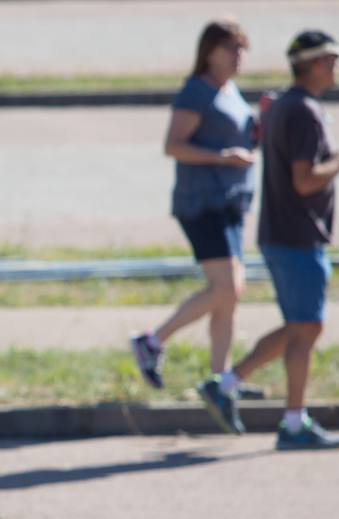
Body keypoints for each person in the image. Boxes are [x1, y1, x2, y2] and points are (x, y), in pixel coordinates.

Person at [196, 29, 339, 449]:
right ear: (313, 64)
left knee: (303, 327)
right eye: (332, 59)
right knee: (305, 327)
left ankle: (261, 401)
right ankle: (279, 414)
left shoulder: (288, 106)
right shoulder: (303, 111)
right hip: (297, 236)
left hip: (286, 234)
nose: (337, 67)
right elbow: (305, 180)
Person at [130, 19, 263, 400]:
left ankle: (221, 380)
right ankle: (152, 341)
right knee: (227, 287)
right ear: (210, 52)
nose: (238, 57)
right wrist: (223, 157)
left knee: (230, 294)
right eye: (230, 49)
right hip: (202, 203)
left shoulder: (230, 91)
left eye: (242, 49)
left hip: (232, 201)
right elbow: (174, 145)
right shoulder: (196, 92)